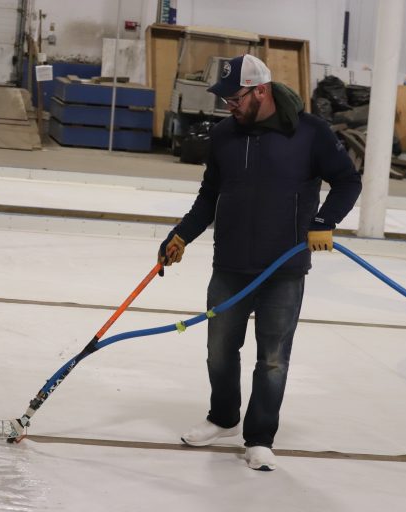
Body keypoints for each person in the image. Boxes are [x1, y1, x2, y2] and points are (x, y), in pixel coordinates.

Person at [158, 54, 362, 471]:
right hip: (231, 264)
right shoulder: (223, 136)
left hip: (283, 269)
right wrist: (181, 235)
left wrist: (324, 221)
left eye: (235, 98)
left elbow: (347, 181)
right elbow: (209, 196)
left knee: (272, 358)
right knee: (219, 349)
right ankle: (223, 417)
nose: (228, 105)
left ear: (261, 91)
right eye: (226, 99)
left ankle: (260, 437)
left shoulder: (310, 133)